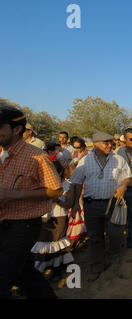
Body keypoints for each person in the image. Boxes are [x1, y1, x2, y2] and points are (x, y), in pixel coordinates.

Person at [0, 105, 63, 299]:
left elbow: (56, 189)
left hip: (24, 224)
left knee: (3, 276)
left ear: (16, 129)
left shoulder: (36, 157)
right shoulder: (2, 153)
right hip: (3, 221)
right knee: (24, 274)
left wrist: (13, 194)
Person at [70, 132, 132, 282]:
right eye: (105, 142)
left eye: (110, 142)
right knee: (95, 237)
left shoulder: (118, 159)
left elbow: (127, 176)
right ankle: (98, 266)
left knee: (115, 234)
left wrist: (123, 185)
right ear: (95, 144)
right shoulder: (84, 161)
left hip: (112, 204)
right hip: (91, 205)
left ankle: (116, 262)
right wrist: (74, 205)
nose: (109, 145)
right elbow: (76, 183)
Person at [31, 143, 75, 280]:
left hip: (59, 217)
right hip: (43, 217)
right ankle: (40, 269)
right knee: (42, 243)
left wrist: (56, 200)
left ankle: (56, 269)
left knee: (57, 243)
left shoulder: (67, 185)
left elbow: (68, 204)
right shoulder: (40, 186)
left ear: (60, 172)